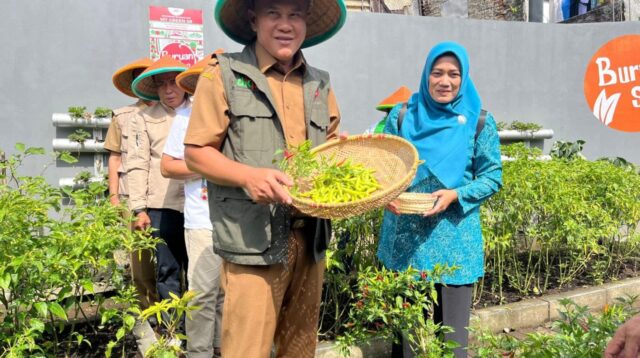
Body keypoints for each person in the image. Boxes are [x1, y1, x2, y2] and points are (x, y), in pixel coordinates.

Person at [183, 0, 346, 356]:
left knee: (300, 348)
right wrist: (246, 176)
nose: (285, 24)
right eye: (274, 13)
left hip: (310, 240)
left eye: (295, 14)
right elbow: (195, 152)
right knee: (247, 349)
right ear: (254, 20)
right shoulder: (222, 73)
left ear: (306, 22)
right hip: (252, 242)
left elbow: (331, 146)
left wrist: (345, 160)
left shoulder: (320, 83)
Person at [377, 41, 503, 357]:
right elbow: (386, 168)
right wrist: (386, 193)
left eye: (453, 74)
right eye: (437, 73)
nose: (445, 81)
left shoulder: (480, 122)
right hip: (406, 243)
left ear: (464, 78)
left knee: (453, 344)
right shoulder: (402, 116)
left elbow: (492, 177)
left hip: (455, 244)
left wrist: (456, 194)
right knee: (408, 344)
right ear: (426, 75)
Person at [160, 52, 225, 358]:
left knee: (228, 294)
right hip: (202, 221)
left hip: (239, 219)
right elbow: (168, 167)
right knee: (202, 293)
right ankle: (199, 352)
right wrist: (209, 166)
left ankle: (222, 347)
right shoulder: (186, 118)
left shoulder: (241, 119)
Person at [104, 57, 159, 355]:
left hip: (166, 194)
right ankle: (149, 311)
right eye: (143, 78)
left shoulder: (174, 111)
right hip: (131, 194)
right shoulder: (123, 116)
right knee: (142, 258)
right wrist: (114, 196)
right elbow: (114, 157)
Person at [128, 56, 189, 311]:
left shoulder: (201, 109)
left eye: (173, 82)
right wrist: (139, 208)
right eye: (161, 84)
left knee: (202, 269)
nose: (168, 89)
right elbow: (137, 162)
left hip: (200, 202)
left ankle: (203, 332)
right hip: (162, 203)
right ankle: (173, 331)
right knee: (167, 268)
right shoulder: (143, 117)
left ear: (184, 83)